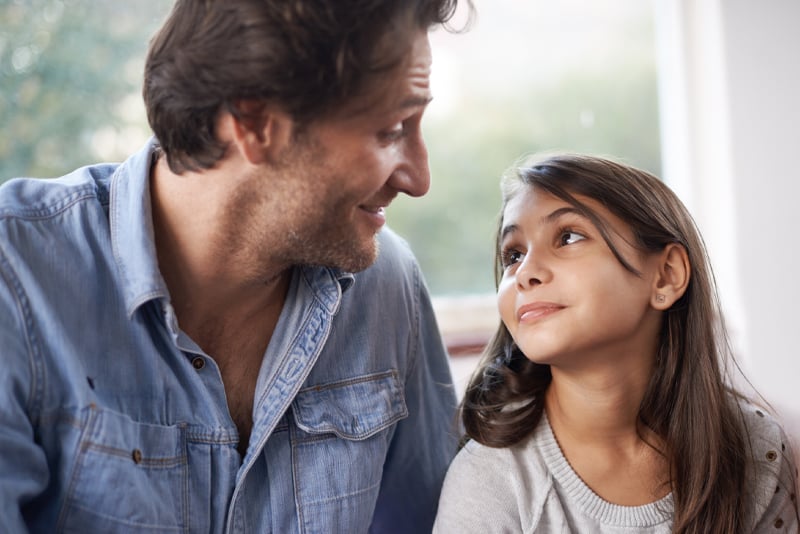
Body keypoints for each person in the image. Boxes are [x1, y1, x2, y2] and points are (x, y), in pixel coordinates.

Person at [0, 1, 471, 532]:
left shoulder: (387, 287)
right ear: (255, 122)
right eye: (390, 130)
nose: (419, 177)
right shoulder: (16, 280)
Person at [433, 154, 800, 533]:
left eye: (568, 236)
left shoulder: (756, 449)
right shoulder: (490, 482)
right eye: (513, 254)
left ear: (666, 276)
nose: (525, 273)